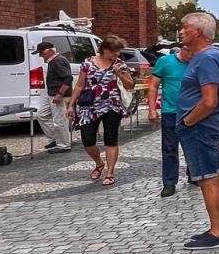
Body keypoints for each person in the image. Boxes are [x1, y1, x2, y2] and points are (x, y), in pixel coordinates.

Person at [175, 11, 219, 250]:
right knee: (215, 176)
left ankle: (217, 231)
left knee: (207, 179)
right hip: (203, 127)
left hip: (199, 127)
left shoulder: (207, 58)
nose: (181, 31)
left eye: (184, 27)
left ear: (197, 32)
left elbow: (209, 100)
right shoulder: (212, 55)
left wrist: (188, 121)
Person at [67, 35, 135, 186]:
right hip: (89, 105)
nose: (116, 54)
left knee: (111, 139)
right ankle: (99, 163)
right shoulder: (88, 63)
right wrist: (71, 103)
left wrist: (119, 74)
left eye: (118, 51)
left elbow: (130, 85)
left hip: (113, 104)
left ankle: (110, 173)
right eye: (114, 51)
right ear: (104, 49)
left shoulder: (119, 64)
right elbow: (79, 85)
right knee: (87, 140)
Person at [147, 41, 191, 196]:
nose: (190, 55)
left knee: (192, 145)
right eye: (188, 51)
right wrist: (152, 109)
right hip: (170, 111)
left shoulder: (198, 63)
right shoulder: (165, 62)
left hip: (193, 111)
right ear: (182, 49)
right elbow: (153, 86)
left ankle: (194, 175)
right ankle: (169, 182)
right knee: (169, 148)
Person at [36, 40, 74, 152]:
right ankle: (56, 139)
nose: (40, 56)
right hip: (52, 94)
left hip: (59, 96)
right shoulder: (54, 61)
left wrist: (60, 94)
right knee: (41, 115)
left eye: (41, 53)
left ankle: (64, 145)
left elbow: (68, 78)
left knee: (60, 121)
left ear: (50, 51)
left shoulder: (58, 61)